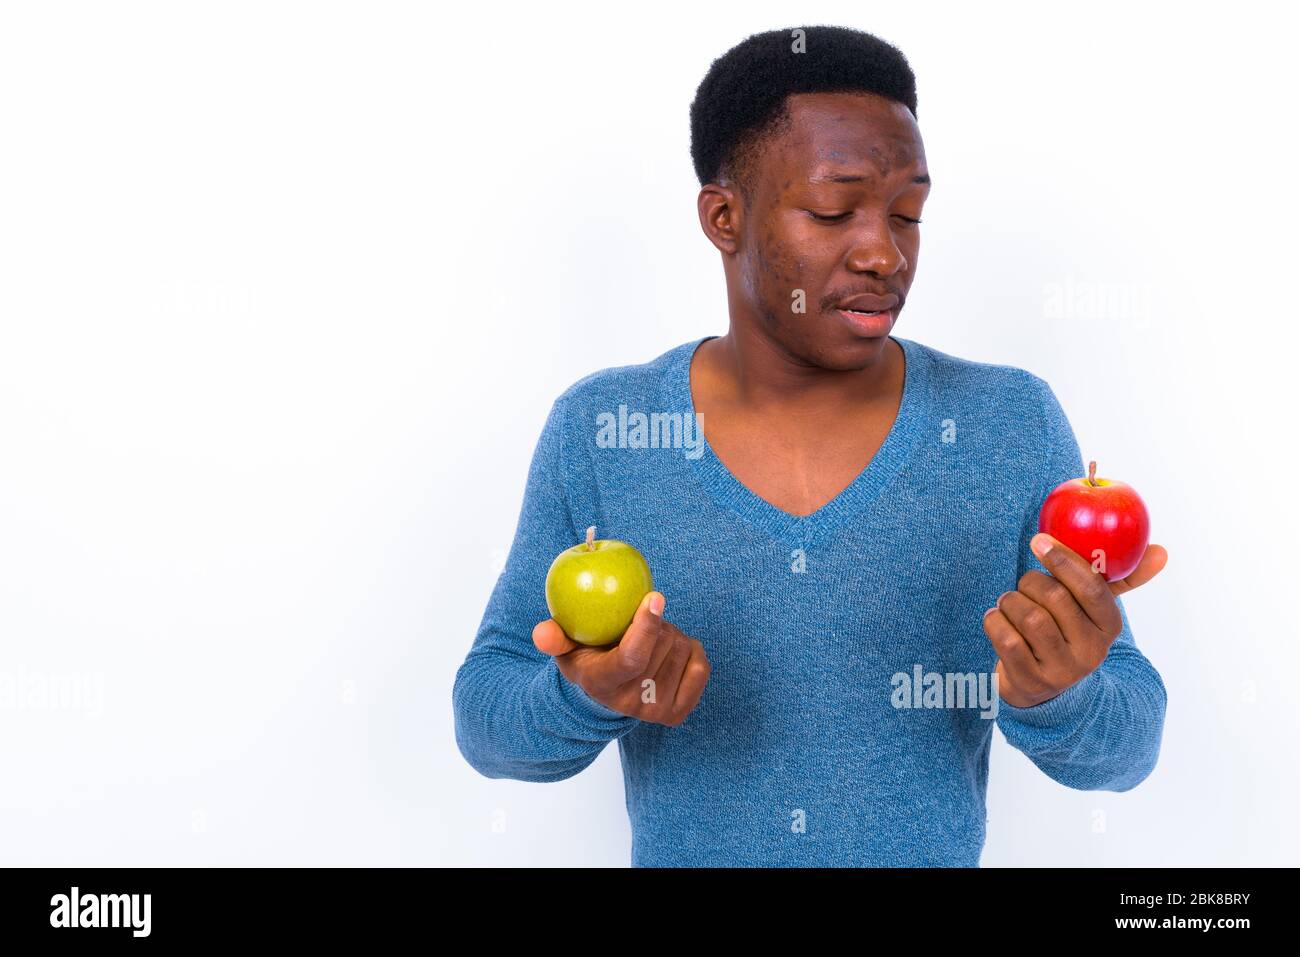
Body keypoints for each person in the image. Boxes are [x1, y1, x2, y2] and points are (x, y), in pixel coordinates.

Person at [452, 25, 1168, 867]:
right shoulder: (604, 430)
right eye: (835, 210)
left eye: (909, 213)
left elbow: (1133, 741)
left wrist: (1062, 693)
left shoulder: (1006, 423)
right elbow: (485, 716)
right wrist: (584, 695)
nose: (884, 251)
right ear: (723, 217)